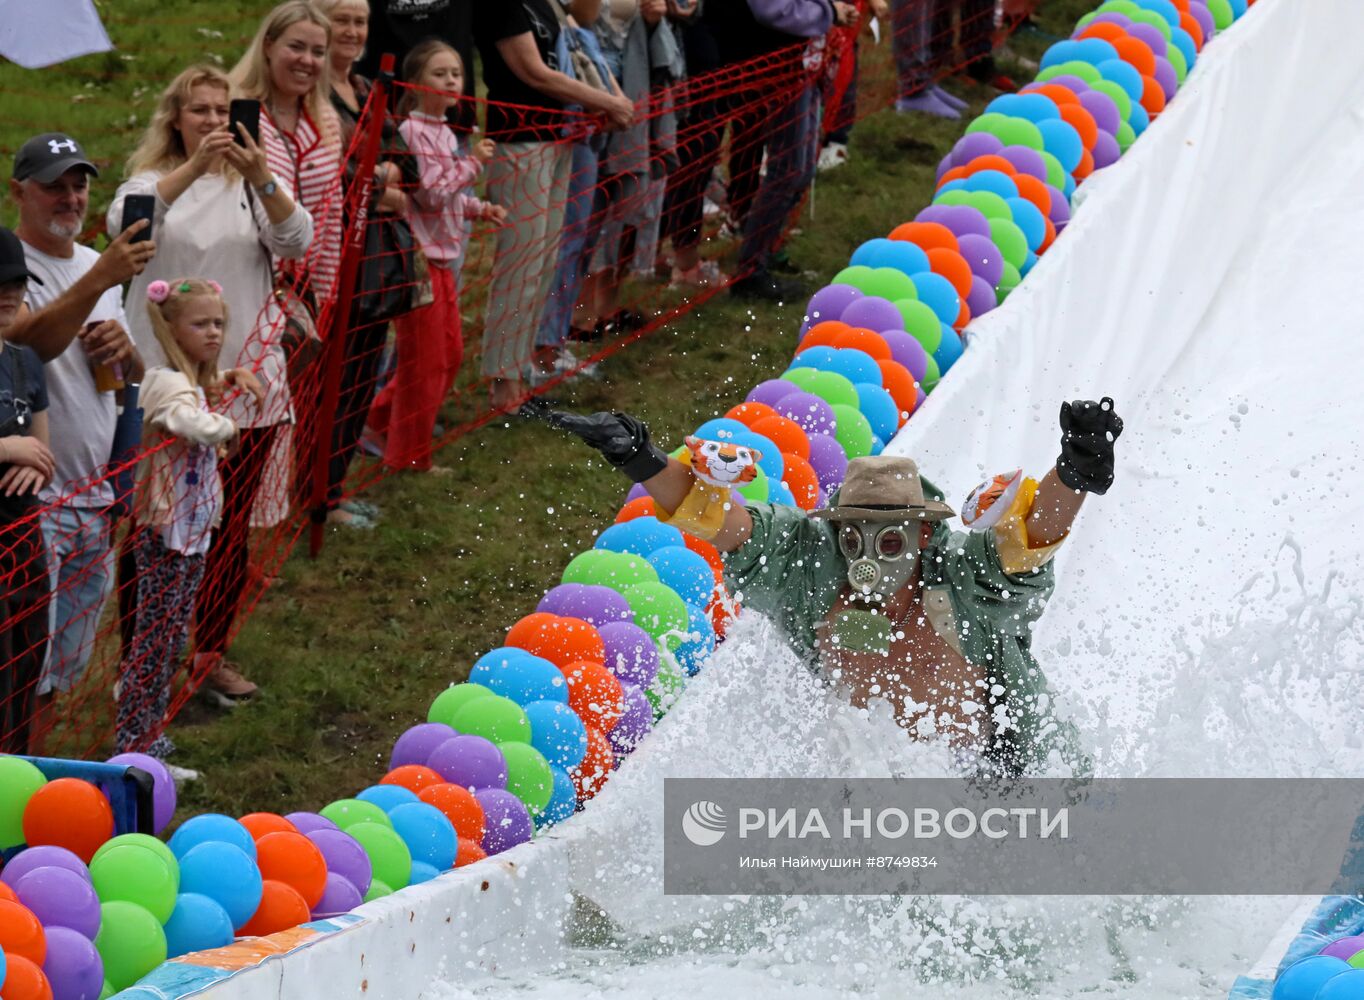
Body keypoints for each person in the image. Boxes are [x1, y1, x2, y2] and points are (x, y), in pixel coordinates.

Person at [537, 397, 1124, 775]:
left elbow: (1024, 548)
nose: (869, 558)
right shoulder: (810, 571)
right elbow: (725, 522)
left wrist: (1072, 475)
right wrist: (639, 460)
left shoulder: (961, 576)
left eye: (890, 542)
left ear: (923, 534)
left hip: (1010, 766)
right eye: (855, 538)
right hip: (887, 785)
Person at [109, 64, 315, 704]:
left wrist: (258, 174)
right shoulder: (151, 181)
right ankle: (141, 660)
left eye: (223, 112)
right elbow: (127, 225)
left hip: (245, 381)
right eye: (199, 111)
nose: (213, 123)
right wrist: (198, 164)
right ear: (176, 118)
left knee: (228, 531)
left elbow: (297, 239)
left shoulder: (252, 187)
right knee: (155, 530)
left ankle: (210, 653)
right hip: (167, 386)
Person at [6, 131, 152, 751]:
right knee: (23, 661)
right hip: (33, 499)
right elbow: (24, 347)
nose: (69, 198)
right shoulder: (10, 262)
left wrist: (130, 354)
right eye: (53, 186)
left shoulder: (98, 265)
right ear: (20, 192)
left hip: (94, 495)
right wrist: (99, 283)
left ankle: (32, 772)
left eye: (78, 184)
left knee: (63, 661)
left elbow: (125, 381)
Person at [117, 278, 263, 758]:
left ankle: (148, 731)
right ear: (170, 328)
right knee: (153, 646)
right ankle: (135, 744)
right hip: (165, 534)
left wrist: (228, 376)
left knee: (170, 638)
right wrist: (227, 426)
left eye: (218, 322)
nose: (214, 333)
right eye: (200, 324)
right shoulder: (165, 381)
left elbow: (196, 391)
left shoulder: (188, 380)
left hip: (191, 533)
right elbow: (184, 417)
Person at [473, 0, 636, 412]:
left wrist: (610, 99)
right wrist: (607, 102)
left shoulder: (546, 4)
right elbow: (533, 71)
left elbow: (582, 52)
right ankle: (503, 382)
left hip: (558, 138)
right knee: (521, 264)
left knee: (544, 262)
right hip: (520, 142)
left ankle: (521, 368)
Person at [366, 41, 505, 473]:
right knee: (424, 363)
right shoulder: (411, 131)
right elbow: (428, 195)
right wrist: (474, 166)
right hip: (418, 261)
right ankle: (408, 457)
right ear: (415, 83)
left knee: (449, 354)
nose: (451, 81)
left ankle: (375, 421)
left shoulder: (445, 131)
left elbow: (450, 197)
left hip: (442, 259)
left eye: (456, 73)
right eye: (439, 73)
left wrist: (480, 208)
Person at [319, 0, 424, 526]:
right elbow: (328, 182)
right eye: (341, 19)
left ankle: (332, 488)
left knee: (361, 373)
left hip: (377, 261)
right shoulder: (311, 99)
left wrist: (381, 182)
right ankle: (315, 495)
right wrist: (380, 184)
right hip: (331, 258)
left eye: (360, 21)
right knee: (327, 380)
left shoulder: (366, 89)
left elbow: (410, 170)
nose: (353, 30)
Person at [0, 227, 55, 754]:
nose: (7, 294)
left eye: (16, 282)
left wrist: (32, 462)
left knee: (25, 660)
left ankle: (14, 772)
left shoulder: (24, 362)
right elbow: (21, 446)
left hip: (24, 539)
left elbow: (43, 452)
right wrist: (6, 450)